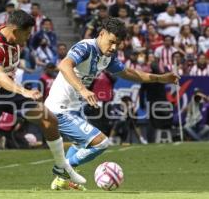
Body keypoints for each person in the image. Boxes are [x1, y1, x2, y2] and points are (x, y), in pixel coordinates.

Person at [0, 10, 85, 193]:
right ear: (15, 30)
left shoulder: (13, 37)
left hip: (10, 89)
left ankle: (62, 168)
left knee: (50, 120)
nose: (28, 38)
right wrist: (23, 90)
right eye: (26, 33)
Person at [45, 16, 179, 190]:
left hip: (73, 108)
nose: (114, 47)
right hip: (59, 108)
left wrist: (160, 78)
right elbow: (64, 65)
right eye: (111, 42)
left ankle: (61, 179)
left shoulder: (107, 56)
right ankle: (62, 170)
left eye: (118, 44)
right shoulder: (86, 47)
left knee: (81, 144)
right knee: (101, 143)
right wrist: (83, 89)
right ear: (102, 34)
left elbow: (129, 73)